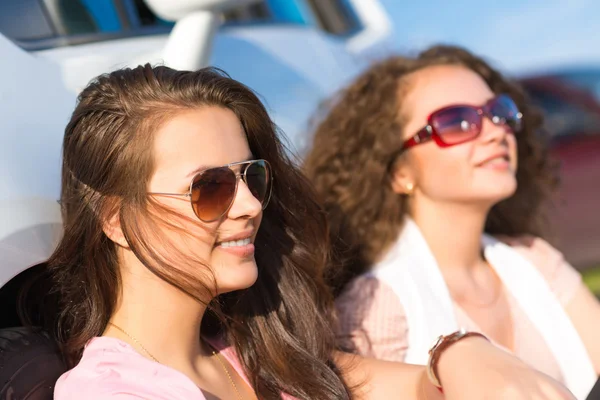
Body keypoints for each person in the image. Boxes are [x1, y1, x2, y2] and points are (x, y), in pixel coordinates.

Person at [45, 63, 573, 400]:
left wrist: (460, 351)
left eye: (252, 176)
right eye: (209, 189)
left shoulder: (254, 353)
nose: (251, 205)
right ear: (116, 219)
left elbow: (421, 386)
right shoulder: (112, 392)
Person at [304, 45, 600, 400]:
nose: (495, 132)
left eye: (499, 112)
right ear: (399, 172)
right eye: (457, 121)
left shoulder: (536, 260)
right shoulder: (376, 309)